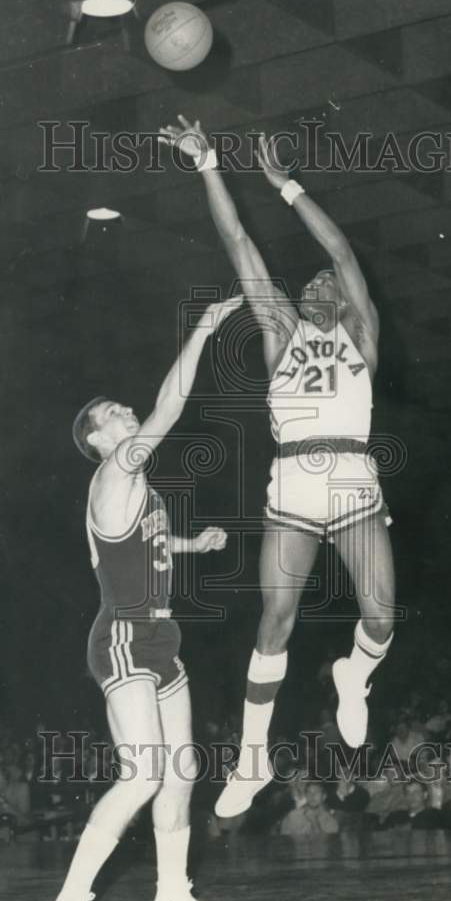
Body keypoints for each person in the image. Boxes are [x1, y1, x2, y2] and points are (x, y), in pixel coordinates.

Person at [159, 117, 396, 818]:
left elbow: (340, 247)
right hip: (293, 480)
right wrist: (207, 163)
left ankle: (355, 674)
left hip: (352, 478)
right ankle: (253, 756)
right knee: (276, 617)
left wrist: (285, 185)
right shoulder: (280, 332)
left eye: (328, 280)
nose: (320, 279)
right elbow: (238, 243)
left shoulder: (361, 335)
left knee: (381, 615)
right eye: (314, 280)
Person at [40, 295, 243, 901]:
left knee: (181, 771)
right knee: (143, 774)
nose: (126, 413)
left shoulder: (136, 491)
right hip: (124, 634)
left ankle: (173, 900)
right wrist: (205, 331)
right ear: (97, 439)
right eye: (112, 414)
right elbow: (170, 407)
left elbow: (131, 548)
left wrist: (189, 545)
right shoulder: (114, 469)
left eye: (123, 407)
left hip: (159, 636)